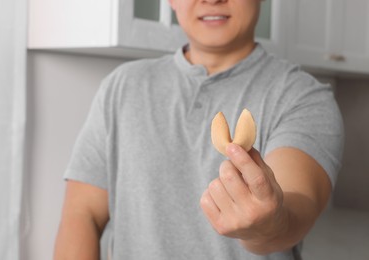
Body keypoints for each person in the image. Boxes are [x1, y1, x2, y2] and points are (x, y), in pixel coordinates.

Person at [54, 0, 344, 259]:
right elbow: (82, 215)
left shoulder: (304, 97)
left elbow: (295, 209)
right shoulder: (121, 86)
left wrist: (269, 224)